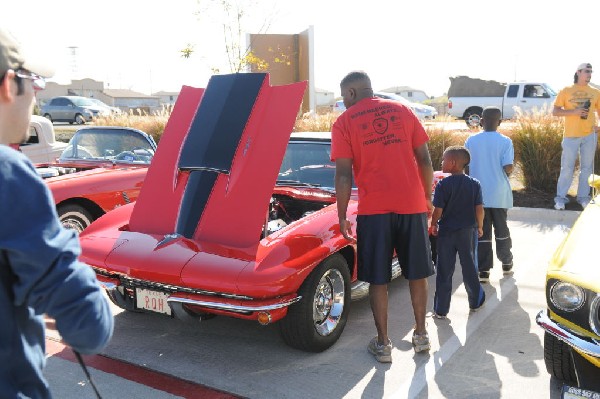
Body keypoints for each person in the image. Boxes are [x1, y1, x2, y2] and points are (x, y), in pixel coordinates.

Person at [0, 28, 114, 398]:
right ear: (7, 85)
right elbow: (87, 328)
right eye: (34, 81)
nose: (38, 92)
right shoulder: (8, 174)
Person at [332, 71, 435, 363]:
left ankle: (383, 343)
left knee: (378, 279)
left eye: (343, 97)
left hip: (374, 211)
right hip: (412, 207)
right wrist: (426, 199)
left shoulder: (343, 123)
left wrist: (342, 216)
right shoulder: (403, 111)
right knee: (417, 273)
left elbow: (342, 175)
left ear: (351, 93)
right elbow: (425, 159)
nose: (343, 102)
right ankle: (421, 336)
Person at [430, 146, 485, 318]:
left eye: (444, 159)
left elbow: (437, 209)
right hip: (468, 232)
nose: (441, 162)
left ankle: (441, 310)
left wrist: (434, 224)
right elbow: (479, 209)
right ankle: (475, 302)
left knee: (444, 270)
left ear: (453, 163)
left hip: (447, 233)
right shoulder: (474, 184)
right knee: (470, 267)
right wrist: (480, 226)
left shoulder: (443, 185)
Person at [464, 106, 514, 283]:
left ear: (482, 121)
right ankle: (506, 263)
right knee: (501, 229)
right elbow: (508, 167)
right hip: (499, 193)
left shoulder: (471, 140)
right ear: (499, 122)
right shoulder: (506, 141)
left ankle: (484, 271)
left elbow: (467, 167)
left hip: (478, 196)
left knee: (482, 232)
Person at [552, 62, 600, 210]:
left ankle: (583, 198)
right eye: (586, 71)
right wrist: (574, 112)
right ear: (578, 72)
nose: (589, 74)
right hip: (571, 136)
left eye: (591, 72)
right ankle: (560, 199)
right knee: (567, 167)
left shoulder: (595, 92)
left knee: (587, 168)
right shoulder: (566, 90)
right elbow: (555, 111)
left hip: (589, 135)